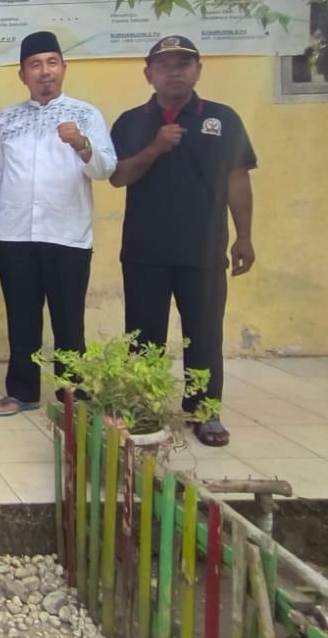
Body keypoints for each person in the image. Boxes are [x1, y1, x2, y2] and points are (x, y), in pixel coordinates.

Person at [109, 35, 256, 448]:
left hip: (204, 248)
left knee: (204, 332)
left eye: (183, 64)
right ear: (149, 74)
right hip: (145, 250)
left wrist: (244, 237)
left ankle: (204, 410)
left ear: (198, 70)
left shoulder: (223, 119)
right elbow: (118, 176)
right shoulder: (132, 122)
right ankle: (145, 407)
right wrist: (155, 147)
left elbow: (237, 179)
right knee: (144, 336)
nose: (174, 72)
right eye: (165, 65)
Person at [0, 30, 117, 417]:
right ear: (23, 74)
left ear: (64, 68)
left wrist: (82, 144)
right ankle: (22, 391)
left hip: (67, 235)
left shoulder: (86, 115)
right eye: (35, 65)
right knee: (21, 319)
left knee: (69, 321)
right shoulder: (6, 120)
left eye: (52, 63)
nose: (45, 71)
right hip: (15, 234)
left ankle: (72, 394)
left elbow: (106, 168)